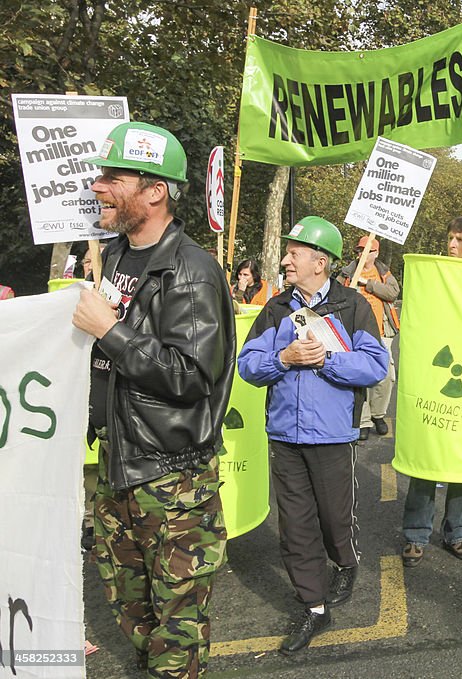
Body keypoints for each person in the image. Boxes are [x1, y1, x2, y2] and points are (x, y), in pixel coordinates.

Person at [71, 121, 235, 677]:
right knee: (132, 613)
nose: (98, 186)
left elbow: (190, 377)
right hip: (119, 469)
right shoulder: (114, 257)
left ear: (154, 191)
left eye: (112, 177)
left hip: (172, 483)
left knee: (176, 635)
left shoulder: (191, 272)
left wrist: (109, 332)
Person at [237, 217, 388, 654]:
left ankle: (344, 561)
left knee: (334, 520)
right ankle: (315, 607)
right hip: (284, 436)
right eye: (287, 252)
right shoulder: (276, 308)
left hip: (333, 436)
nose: (285, 260)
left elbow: (375, 366)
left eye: (294, 253)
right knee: (296, 528)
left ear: (320, 262)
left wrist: (326, 361)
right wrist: (283, 357)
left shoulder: (351, 306)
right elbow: (248, 365)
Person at [401, 216, 462, 567]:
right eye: (450, 238)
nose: (451, 245)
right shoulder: (434, 276)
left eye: (460, 240)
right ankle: (415, 534)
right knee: (427, 457)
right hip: (436, 376)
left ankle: (458, 532)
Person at [339, 235, 401, 440]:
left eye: (366, 250)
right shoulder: (347, 273)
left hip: (381, 333)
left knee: (387, 376)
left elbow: (393, 292)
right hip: (354, 333)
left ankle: (378, 414)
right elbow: (336, 295)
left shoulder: (383, 273)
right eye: (359, 250)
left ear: (376, 253)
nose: (361, 254)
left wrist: (369, 283)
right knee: (360, 377)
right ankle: (364, 420)